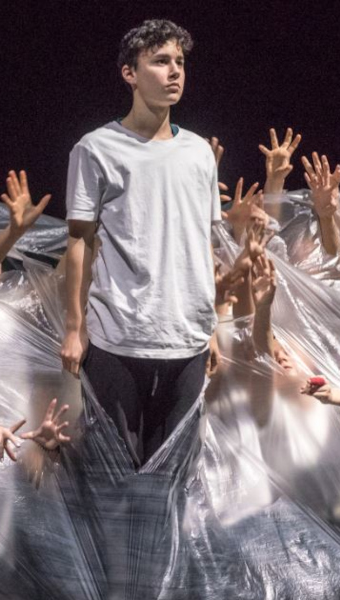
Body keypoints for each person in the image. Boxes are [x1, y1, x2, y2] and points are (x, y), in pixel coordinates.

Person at [60, 19, 222, 468]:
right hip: (119, 339)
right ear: (129, 72)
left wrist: (212, 324)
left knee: (175, 477)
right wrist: (75, 327)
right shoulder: (96, 149)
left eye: (180, 62)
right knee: (114, 476)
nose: (174, 72)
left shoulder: (199, 153)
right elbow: (79, 241)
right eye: (160, 61)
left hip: (186, 339)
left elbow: (202, 243)